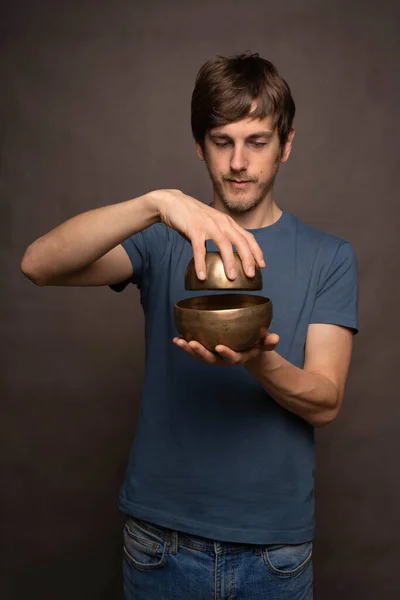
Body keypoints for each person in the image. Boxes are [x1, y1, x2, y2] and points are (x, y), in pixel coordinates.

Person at [21, 52, 358, 600]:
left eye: (258, 141)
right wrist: (157, 204)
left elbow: (326, 400)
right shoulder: (160, 239)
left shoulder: (330, 257)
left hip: (274, 553)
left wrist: (259, 359)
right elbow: (37, 264)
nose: (238, 162)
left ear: (287, 144)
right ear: (200, 145)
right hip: (160, 545)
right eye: (222, 141)